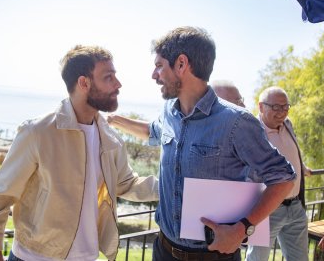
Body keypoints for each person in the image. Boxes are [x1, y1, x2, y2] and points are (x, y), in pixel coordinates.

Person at [115, 26, 296, 261]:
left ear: (181, 64)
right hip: (163, 251)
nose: (154, 74)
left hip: (214, 256)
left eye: (159, 65)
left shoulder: (236, 122)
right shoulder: (169, 112)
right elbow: (152, 131)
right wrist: (112, 120)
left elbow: (283, 178)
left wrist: (243, 229)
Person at [0, 45, 159, 261]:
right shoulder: (37, 132)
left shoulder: (110, 138)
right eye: (108, 77)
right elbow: (1, 195)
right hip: (33, 257)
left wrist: (174, 188)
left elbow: (127, 184)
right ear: (84, 83)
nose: (118, 84)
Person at [246, 86, 312, 261]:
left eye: (285, 107)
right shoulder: (252, 132)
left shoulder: (287, 124)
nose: (282, 112)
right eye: (276, 107)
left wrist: (301, 166)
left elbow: (289, 150)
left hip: (296, 207)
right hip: (267, 209)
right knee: (257, 259)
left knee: (300, 258)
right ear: (261, 107)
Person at [107, 79, 245, 136]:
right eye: (238, 101)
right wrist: (113, 120)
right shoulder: (187, 128)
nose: (243, 106)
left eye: (241, 100)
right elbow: (151, 132)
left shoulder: (248, 131)